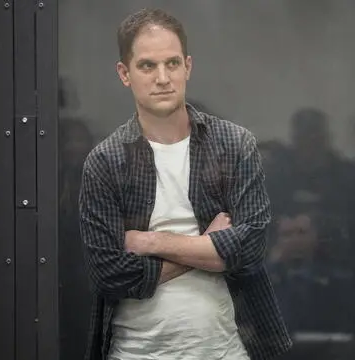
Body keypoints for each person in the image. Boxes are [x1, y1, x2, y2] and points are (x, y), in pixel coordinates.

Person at [78, 8, 292, 360]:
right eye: (147, 65)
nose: (163, 77)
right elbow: (109, 275)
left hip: (227, 350)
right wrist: (206, 245)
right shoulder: (106, 161)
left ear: (187, 67)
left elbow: (250, 246)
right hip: (134, 352)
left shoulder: (234, 144)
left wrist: (151, 241)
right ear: (124, 73)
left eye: (172, 63)